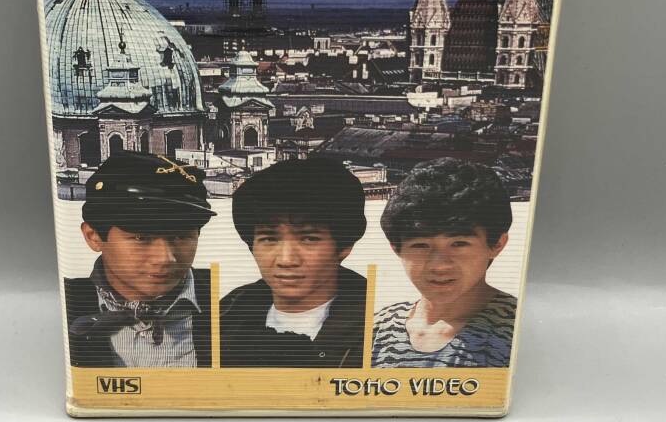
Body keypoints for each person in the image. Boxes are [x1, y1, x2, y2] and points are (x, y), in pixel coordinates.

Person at [64, 151, 216, 367]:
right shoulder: (65, 305)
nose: (165, 258)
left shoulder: (230, 303)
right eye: (141, 237)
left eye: (180, 236)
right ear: (93, 237)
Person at [220, 158, 368, 367]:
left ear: (344, 246)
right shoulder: (223, 316)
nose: (286, 260)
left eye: (308, 239)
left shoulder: (381, 324)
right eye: (269, 239)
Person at [371, 158, 515, 368]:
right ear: (396, 249)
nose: (439, 265)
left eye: (459, 244)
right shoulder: (376, 328)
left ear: (497, 245)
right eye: (421, 245)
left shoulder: (521, 331)